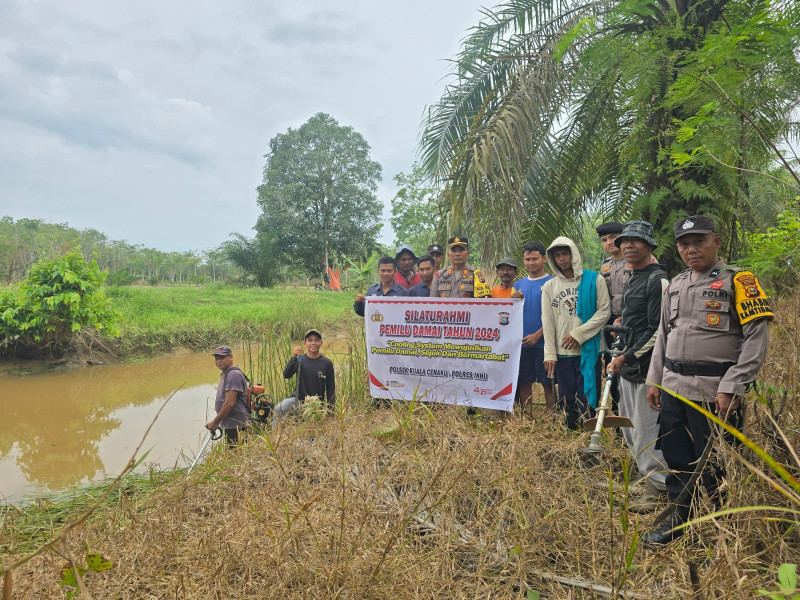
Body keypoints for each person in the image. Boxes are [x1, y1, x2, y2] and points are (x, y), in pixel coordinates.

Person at [642, 215, 773, 545]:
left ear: (716, 242)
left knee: (715, 463)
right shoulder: (675, 284)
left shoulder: (739, 282)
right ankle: (679, 520)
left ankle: (718, 531)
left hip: (714, 392)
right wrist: (654, 379)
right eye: (685, 244)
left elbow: (757, 337)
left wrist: (733, 386)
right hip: (674, 387)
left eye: (699, 241)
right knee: (677, 457)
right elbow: (663, 334)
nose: (692, 249)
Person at [605, 220, 669, 513]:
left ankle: (659, 489)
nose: (629, 245)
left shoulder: (658, 280)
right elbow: (637, 320)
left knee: (647, 431)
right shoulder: (634, 276)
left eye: (635, 241)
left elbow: (658, 330)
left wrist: (627, 356)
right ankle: (644, 481)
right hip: (628, 367)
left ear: (649, 246)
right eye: (624, 241)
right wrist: (621, 324)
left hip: (646, 370)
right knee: (629, 428)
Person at [542, 237, 611, 430]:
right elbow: (547, 322)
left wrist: (578, 334)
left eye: (565, 254)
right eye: (557, 256)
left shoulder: (594, 279)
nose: (562, 259)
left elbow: (604, 311)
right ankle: (571, 431)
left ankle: (589, 432)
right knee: (566, 395)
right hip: (563, 351)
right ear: (552, 259)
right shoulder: (550, 286)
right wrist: (550, 353)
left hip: (590, 348)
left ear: (573, 254)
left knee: (588, 395)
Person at [513, 242, 554, 414]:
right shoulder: (518, 284)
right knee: (524, 381)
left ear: (544, 259)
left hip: (545, 344)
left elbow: (556, 316)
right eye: (527, 259)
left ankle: (553, 418)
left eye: (535, 259)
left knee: (548, 383)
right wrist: (512, 299)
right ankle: (527, 418)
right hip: (522, 344)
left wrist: (538, 335)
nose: (531, 263)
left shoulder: (552, 282)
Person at [274, 329, 336, 426]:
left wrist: (330, 414)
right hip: (298, 400)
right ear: (305, 343)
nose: (313, 343)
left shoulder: (327, 363)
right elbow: (287, 375)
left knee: (314, 430)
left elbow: (330, 389)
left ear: (321, 343)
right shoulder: (300, 359)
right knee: (279, 408)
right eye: (310, 340)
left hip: (316, 404)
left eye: (317, 340)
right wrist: (293, 357)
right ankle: (276, 437)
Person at [207, 345, 251, 446]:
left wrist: (215, 421)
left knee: (236, 455)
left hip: (237, 424)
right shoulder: (225, 373)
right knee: (235, 454)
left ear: (231, 357)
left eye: (222, 358)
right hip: (231, 424)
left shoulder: (233, 375)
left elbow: (229, 403)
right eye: (216, 358)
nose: (219, 361)